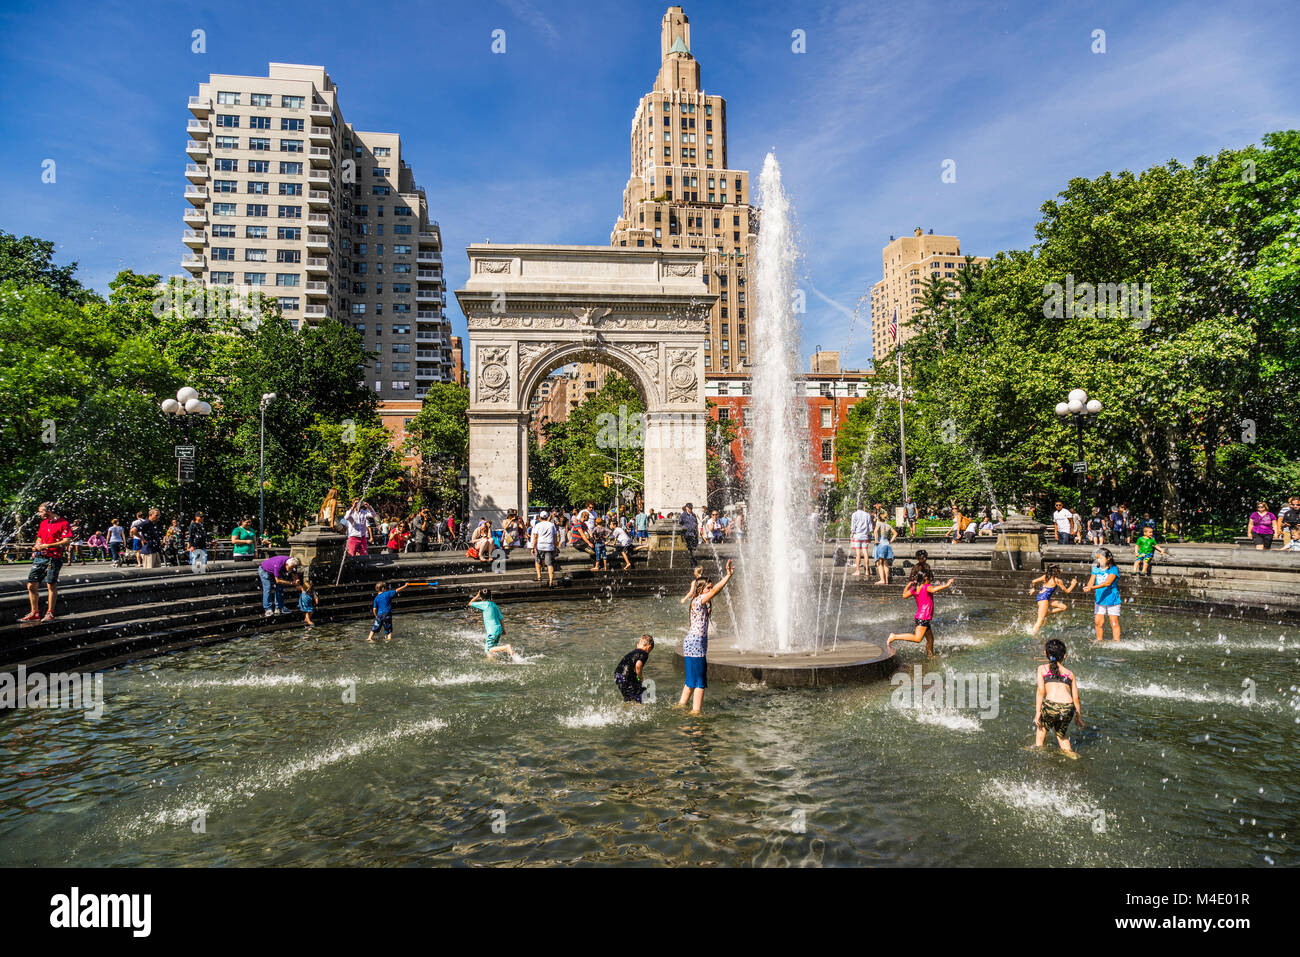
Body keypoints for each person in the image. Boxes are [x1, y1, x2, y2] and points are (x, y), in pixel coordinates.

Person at [676, 559, 735, 715]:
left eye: (710, 587)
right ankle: (696, 712)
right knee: (700, 681)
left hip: (691, 642)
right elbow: (716, 590)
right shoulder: (698, 600)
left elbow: (715, 592)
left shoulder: (697, 601)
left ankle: (681, 705)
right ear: (701, 589)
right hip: (696, 643)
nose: (710, 590)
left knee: (690, 680)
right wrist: (728, 576)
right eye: (707, 588)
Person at [21, 502, 72, 622]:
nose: (39, 514)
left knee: (51, 584)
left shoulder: (63, 523)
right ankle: (35, 612)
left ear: (48, 511)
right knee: (31, 585)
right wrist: (37, 545)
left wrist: (47, 545)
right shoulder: (43, 523)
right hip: (40, 557)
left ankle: (50, 613)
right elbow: (39, 537)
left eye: (41, 511)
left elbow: (67, 541)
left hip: (54, 558)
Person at [886, 569, 955, 658]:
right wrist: (947, 584)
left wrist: (908, 585)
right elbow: (933, 589)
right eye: (930, 578)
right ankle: (894, 636)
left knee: (930, 639)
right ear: (926, 578)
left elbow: (904, 595)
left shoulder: (915, 588)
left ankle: (930, 656)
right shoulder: (926, 587)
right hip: (923, 618)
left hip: (922, 617)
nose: (931, 580)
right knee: (917, 638)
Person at [1033, 638, 1084, 756]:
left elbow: (1041, 691)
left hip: (1051, 704)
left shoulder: (1042, 669)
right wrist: (1078, 716)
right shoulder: (1070, 673)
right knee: (1061, 735)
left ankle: (1037, 752)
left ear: (1046, 653)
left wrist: (1037, 712)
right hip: (1068, 707)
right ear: (1064, 656)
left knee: (1042, 728)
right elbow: (1076, 697)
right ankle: (1072, 755)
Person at [1082, 547, 1122, 642]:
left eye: (1101, 558)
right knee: (1098, 623)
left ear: (1108, 558)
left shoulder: (1113, 569)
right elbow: (1091, 581)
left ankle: (1117, 642)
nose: (1099, 560)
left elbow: (1107, 583)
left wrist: (1092, 588)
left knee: (1114, 623)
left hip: (1112, 600)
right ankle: (1099, 641)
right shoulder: (1096, 569)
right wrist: (1088, 587)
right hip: (1099, 600)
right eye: (1098, 558)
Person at [1028, 564, 1077, 636]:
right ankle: (1032, 634)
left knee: (1063, 607)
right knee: (1040, 621)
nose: (1061, 570)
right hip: (1043, 599)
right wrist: (1073, 584)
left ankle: (1046, 613)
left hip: (1043, 598)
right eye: (1059, 569)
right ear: (1056, 571)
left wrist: (1033, 588)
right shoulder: (1057, 580)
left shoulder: (1046, 576)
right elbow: (1067, 591)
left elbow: (1033, 581)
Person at [468, 588, 514, 660]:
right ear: (490, 596)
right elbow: (501, 618)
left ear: (481, 597)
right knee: (493, 649)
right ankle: (492, 661)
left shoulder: (484, 604)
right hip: (498, 629)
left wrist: (477, 596)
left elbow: (470, 603)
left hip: (492, 631)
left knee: (488, 650)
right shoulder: (494, 605)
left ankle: (506, 647)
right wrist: (503, 629)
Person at [614, 635, 655, 704]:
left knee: (629, 697)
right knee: (640, 695)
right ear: (649, 647)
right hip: (626, 677)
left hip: (618, 675)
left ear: (638, 645)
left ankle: (626, 710)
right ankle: (640, 711)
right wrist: (640, 677)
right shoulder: (644, 653)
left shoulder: (633, 652)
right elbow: (638, 665)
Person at [530, 510, 559, 585]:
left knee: (537, 561)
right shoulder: (551, 525)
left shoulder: (538, 525)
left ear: (540, 517)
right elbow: (555, 537)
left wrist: (533, 547)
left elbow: (535, 537)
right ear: (548, 517)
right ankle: (551, 581)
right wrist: (555, 547)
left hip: (540, 545)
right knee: (549, 564)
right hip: (549, 546)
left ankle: (539, 577)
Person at [873, 508, 897, 586]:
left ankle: (882, 580)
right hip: (887, 544)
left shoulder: (878, 524)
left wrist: (876, 540)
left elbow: (875, 531)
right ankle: (886, 580)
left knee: (880, 563)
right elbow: (895, 533)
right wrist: (890, 541)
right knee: (886, 563)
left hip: (881, 544)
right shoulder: (888, 525)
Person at [849, 502, 873, 578]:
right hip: (865, 536)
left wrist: (852, 533)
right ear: (863, 507)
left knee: (858, 554)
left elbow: (853, 526)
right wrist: (869, 534)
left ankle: (858, 571)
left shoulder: (854, 514)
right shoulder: (867, 515)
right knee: (865, 553)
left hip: (857, 536)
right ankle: (867, 571)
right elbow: (870, 527)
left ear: (857, 507)